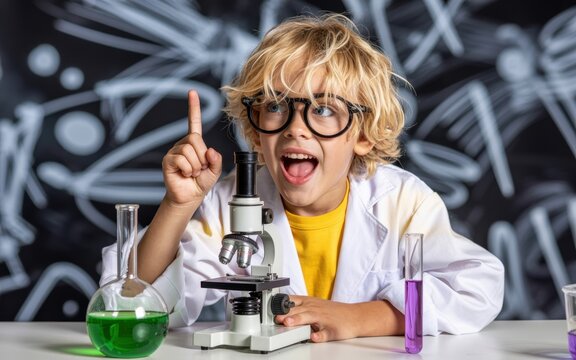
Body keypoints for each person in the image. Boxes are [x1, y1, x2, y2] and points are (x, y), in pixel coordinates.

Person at [100, 13, 504, 342]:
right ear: (256, 131)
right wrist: (178, 206)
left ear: (362, 135)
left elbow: (478, 289)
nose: (296, 128)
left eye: (324, 110)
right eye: (276, 106)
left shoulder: (403, 201)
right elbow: (135, 306)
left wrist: (366, 317)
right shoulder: (229, 202)